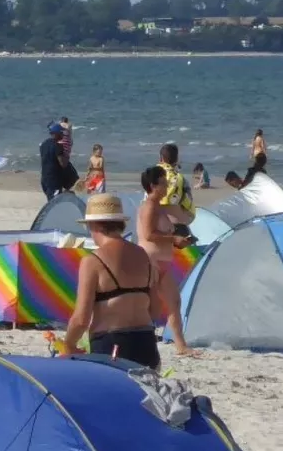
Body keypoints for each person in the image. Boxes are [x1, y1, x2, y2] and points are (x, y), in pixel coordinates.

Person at [58, 195, 170, 368]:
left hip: (112, 345)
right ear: (120, 224)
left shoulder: (93, 261)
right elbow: (155, 309)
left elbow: (81, 319)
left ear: (93, 225)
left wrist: (68, 345)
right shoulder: (144, 256)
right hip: (146, 344)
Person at [136, 168, 194, 357]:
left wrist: (178, 241)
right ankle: (144, 340)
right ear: (153, 186)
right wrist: (173, 239)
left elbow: (163, 234)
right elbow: (148, 234)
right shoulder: (149, 206)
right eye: (163, 183)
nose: (167, 186)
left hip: (163, 261)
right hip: (150, 260)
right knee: (149, 305)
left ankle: (181, 346)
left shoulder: (160, 206)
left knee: (174, 302)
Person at [37, 123, 77, 200]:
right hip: (54, 180)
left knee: (51, 201)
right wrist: (66, 157)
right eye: (61, 133)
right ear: (56, 134)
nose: (62, 135)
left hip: (44, 179)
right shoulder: (58, 146)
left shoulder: (43, 144)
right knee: (55, 203)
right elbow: (63, 164)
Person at [156, 143, 193, 226]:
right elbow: (189, 203)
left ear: (161, 158)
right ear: (176, 159)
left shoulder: (151, 176)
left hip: (157, 223)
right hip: (177, 224)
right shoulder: (181, 179)